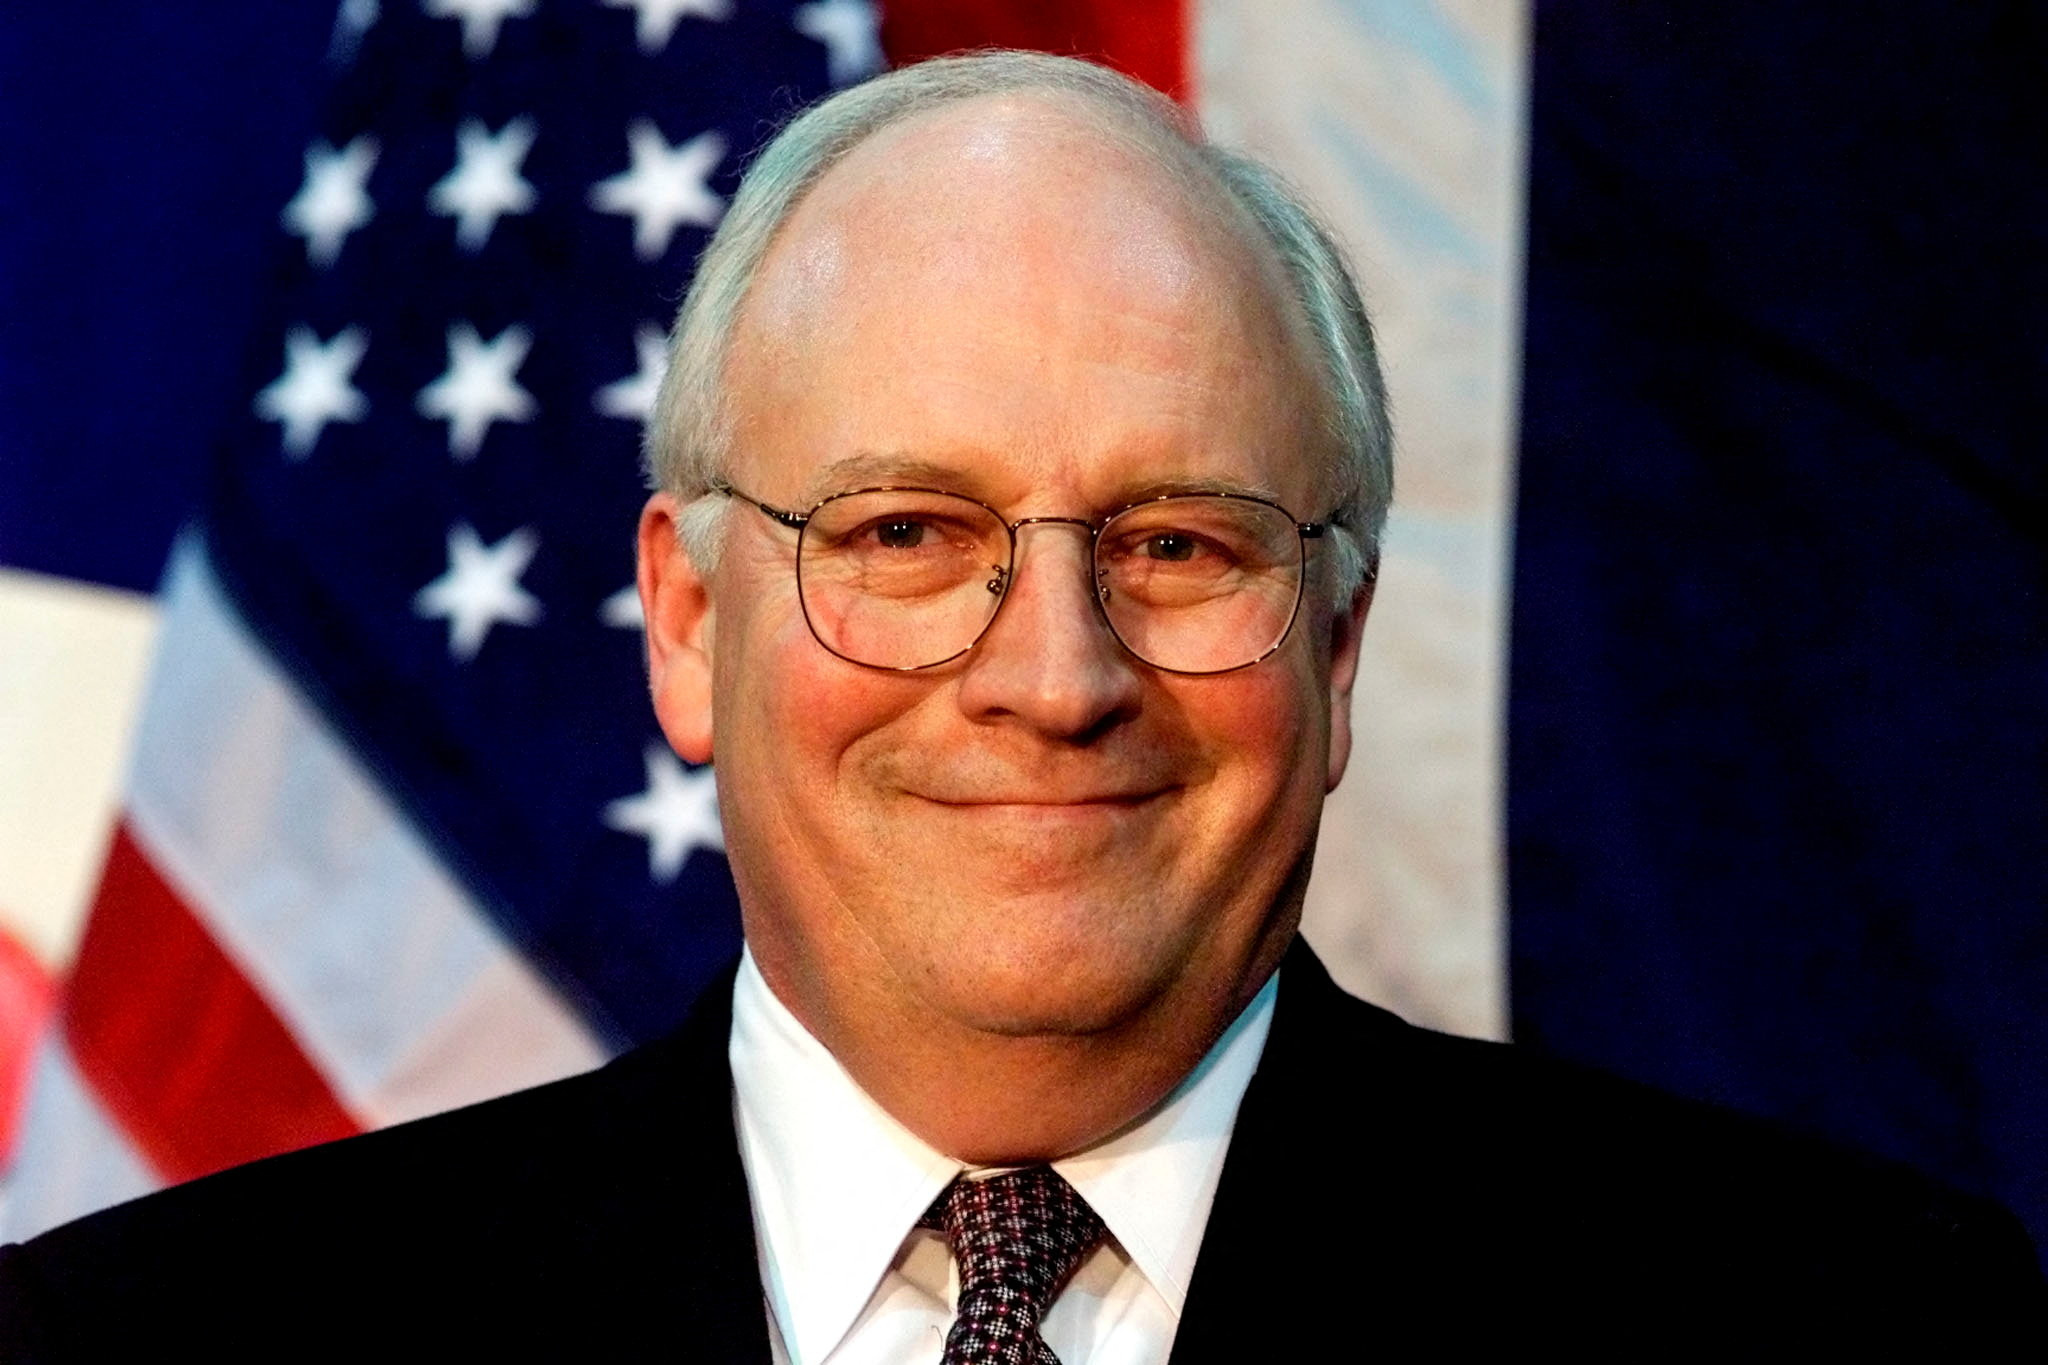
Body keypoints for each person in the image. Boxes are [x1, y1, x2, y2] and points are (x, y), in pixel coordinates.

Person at [1, 50, 2039, 1361]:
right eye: (902, 532)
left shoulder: (1853, 1343)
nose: (1053, 675)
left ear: (1334, 658)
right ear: (685, 622)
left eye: (1178, 543)